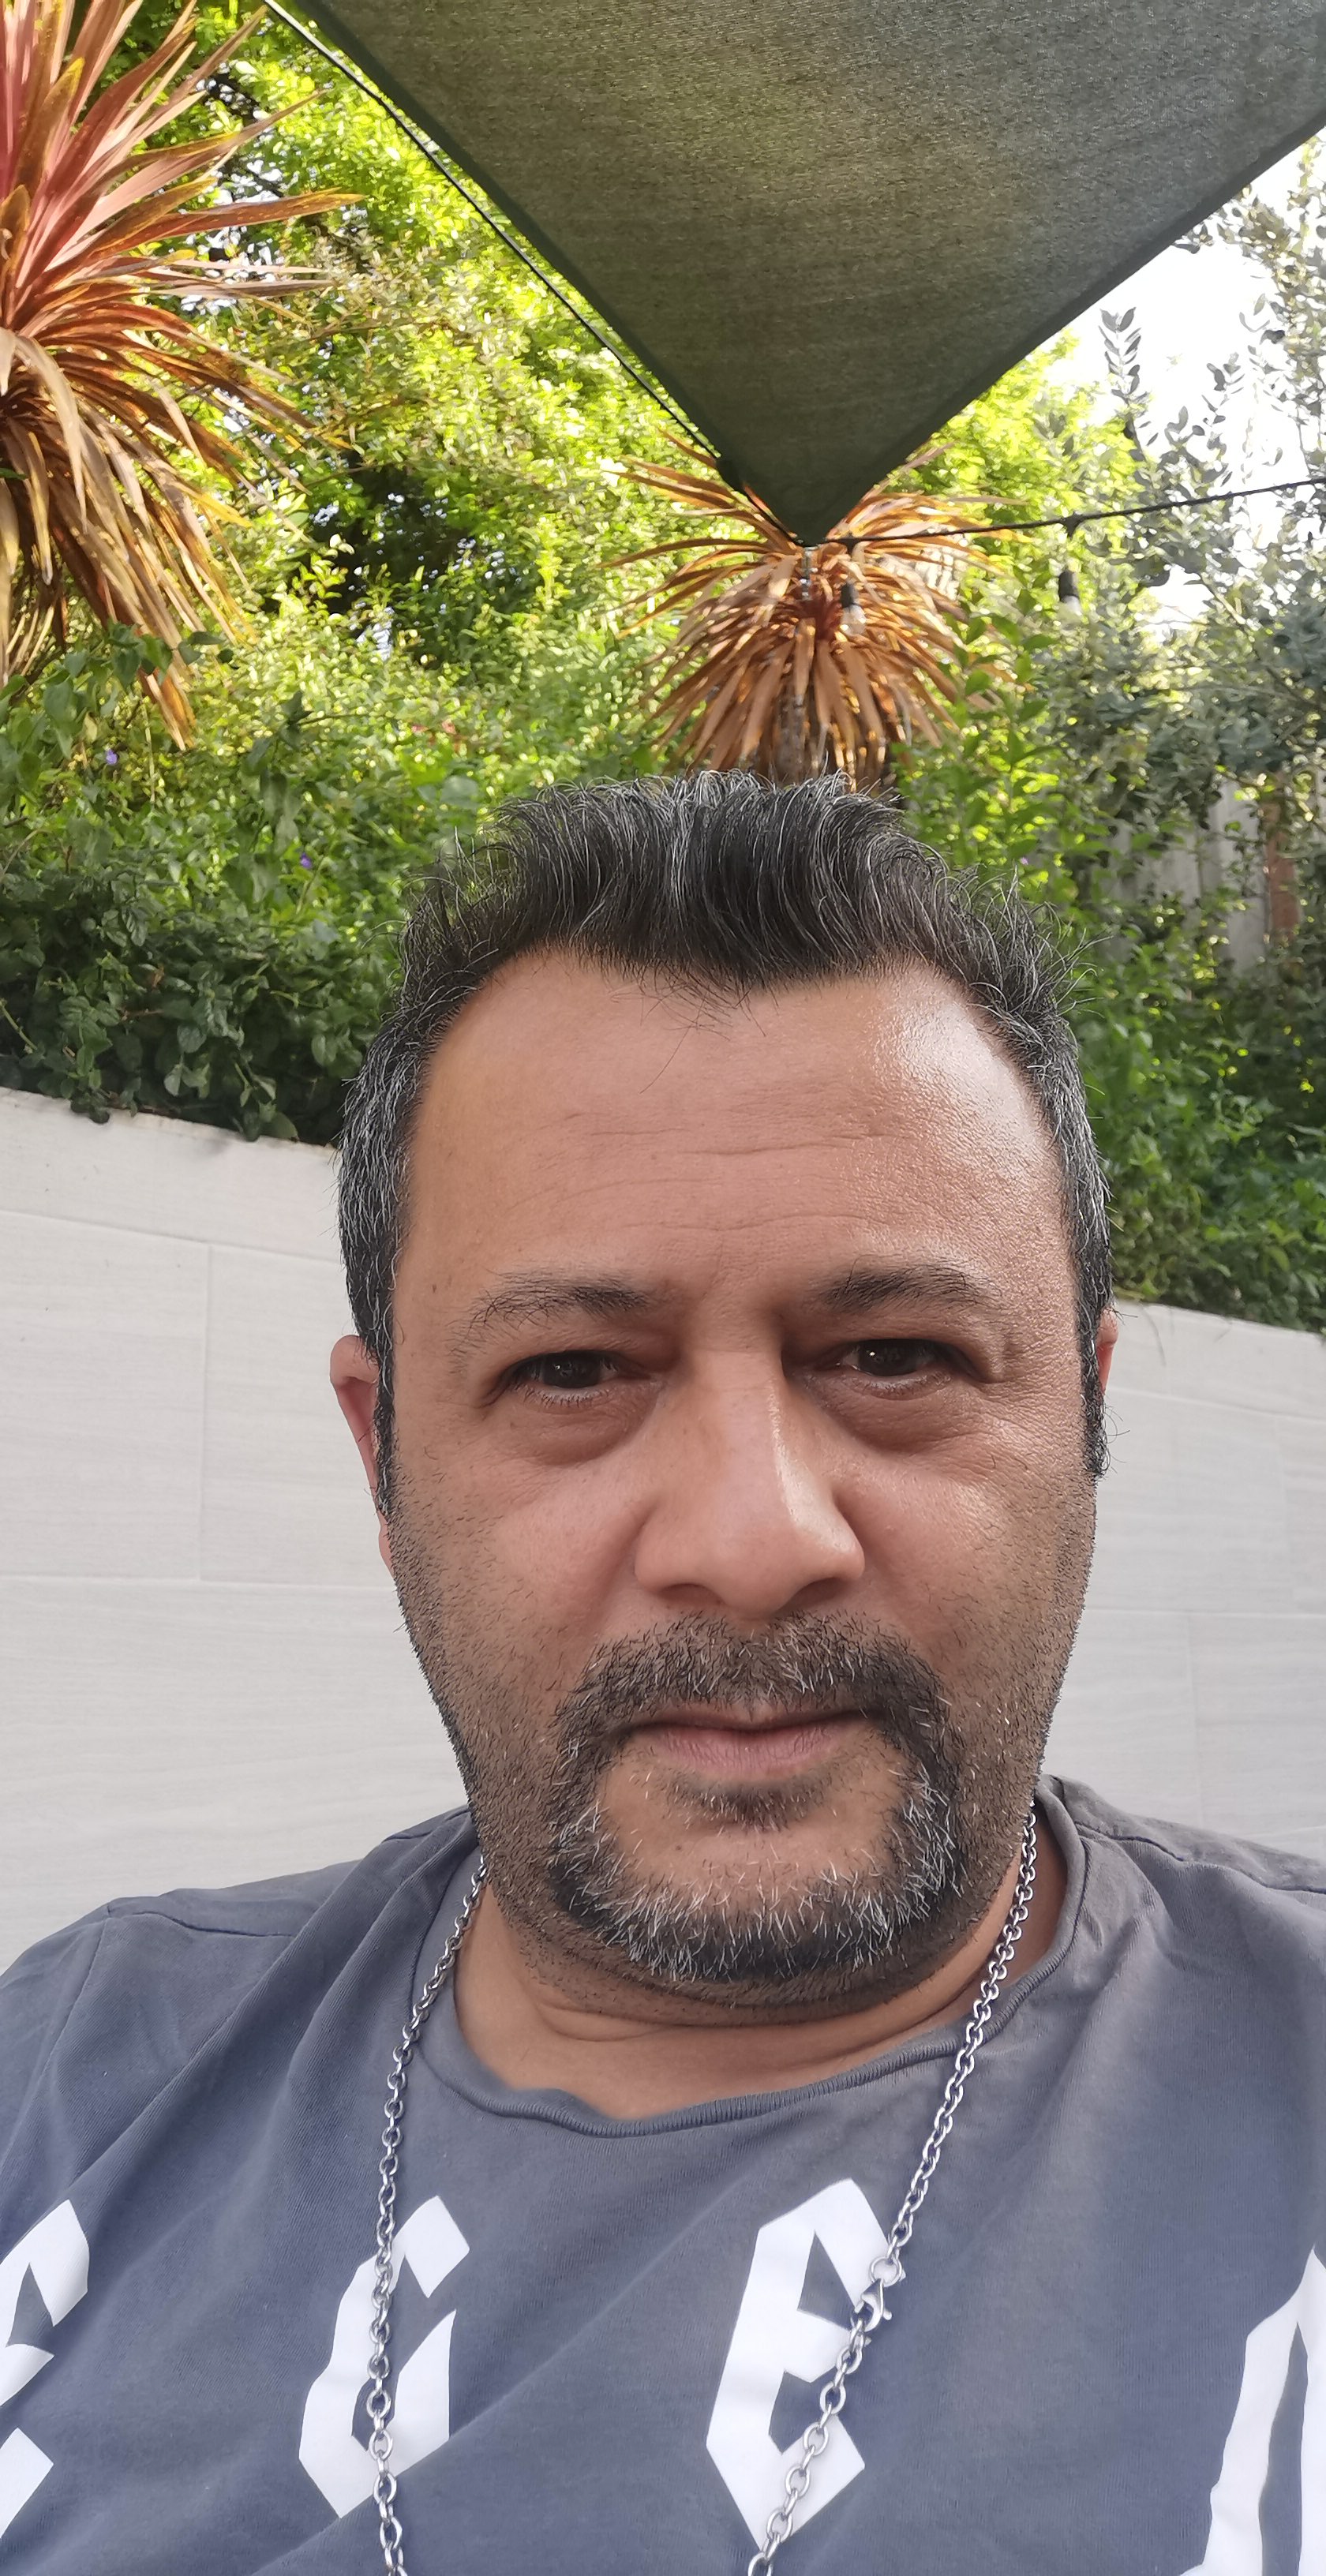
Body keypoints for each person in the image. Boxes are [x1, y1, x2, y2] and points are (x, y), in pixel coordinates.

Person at [0, 772, 1321, 2576]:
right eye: (573, 1373)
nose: (754, 1539)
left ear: (1086, 1422)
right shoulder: (65, 2077)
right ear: (385, 1459)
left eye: (894, 1355)